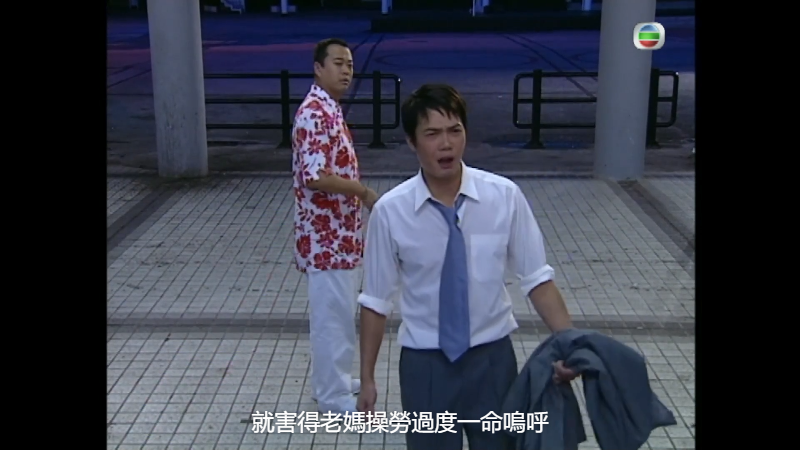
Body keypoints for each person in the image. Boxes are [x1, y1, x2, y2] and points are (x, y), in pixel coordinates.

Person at [356, 84, 578, 449]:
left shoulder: (504, 196)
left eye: (454, 131)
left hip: (493, 361)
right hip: (425, 365)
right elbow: (376, 301)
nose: (446, 144)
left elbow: (538, 280)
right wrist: (367, 378)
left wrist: (570, 344)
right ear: (412, 142)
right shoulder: (390, 212)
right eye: (432, 134)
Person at [291, 38, 380, 415]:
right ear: (318, 68)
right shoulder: (315, 113)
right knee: (333, 319)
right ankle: (332, 395)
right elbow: (315, 177)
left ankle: (335, 380)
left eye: (350, 65)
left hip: (338, 237)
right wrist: (362, 192)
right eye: (338, 63)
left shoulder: (328, 109)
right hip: (326, 239)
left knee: (339, 315)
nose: (346, 71)